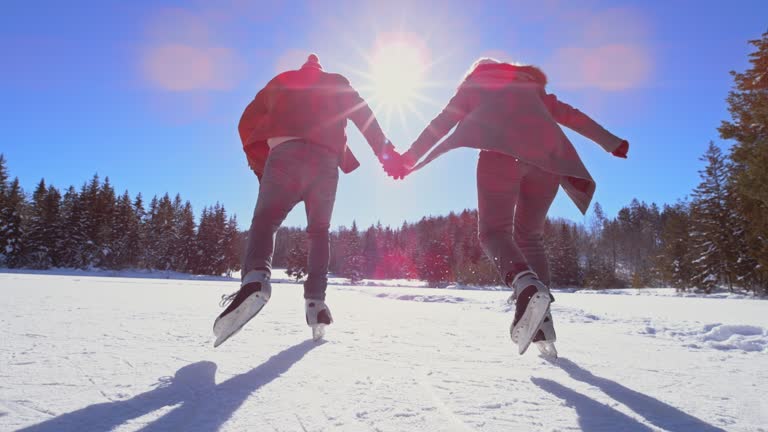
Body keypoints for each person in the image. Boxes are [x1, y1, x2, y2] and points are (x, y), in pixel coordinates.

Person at [391, 58, 629, 357]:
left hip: (500, 156)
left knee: (493, 232)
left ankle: (524, 284)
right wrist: (612, 142)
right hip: (548, 164)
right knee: (530, 237)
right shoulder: (531, 87)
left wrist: (407, 159)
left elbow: (442, 122)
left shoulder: (477, 82)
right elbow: (572, 115)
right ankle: (541, 324)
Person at [213, 54, 400, 346]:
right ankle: (316, 303)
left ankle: (256, 279)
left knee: (266, 221)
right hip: (325, 162)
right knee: (319, 231)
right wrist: (387, 156)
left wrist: (260, 166)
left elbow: (245, 123)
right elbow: (365, 116)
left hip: (284, 155)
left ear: (303, 68)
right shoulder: (337, 82)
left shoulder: (281, 81)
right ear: (321, 69)